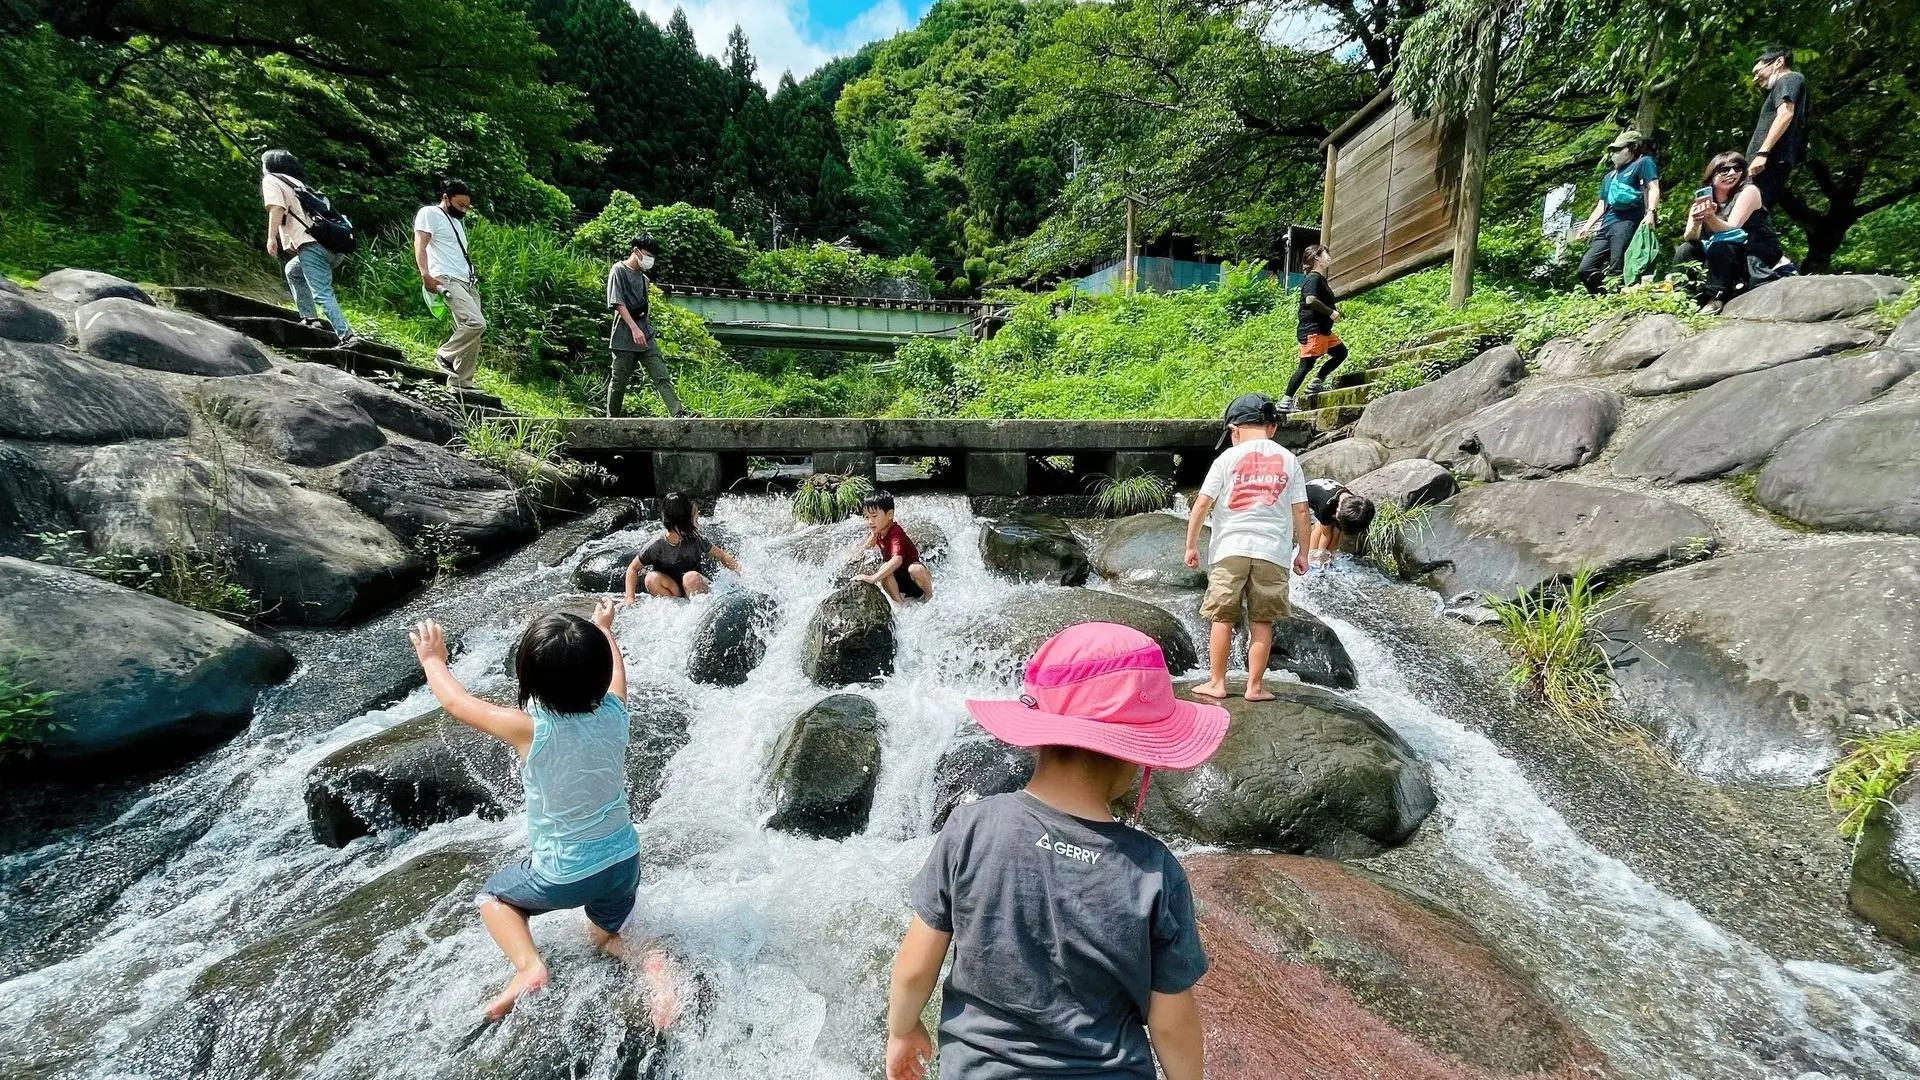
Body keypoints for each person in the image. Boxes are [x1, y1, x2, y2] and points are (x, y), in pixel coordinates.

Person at [884, 621, 1224, 1080]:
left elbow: (913, 968)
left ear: (1039, 734)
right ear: (1132, 753)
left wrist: (902, 1031)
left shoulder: (973, 827)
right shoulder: (1152, 870)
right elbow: (1170, 1021)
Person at [408, 600, 675, 1025]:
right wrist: (604, 628)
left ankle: (529, 967)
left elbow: (457, 703)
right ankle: (651, 965)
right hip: (624, 859)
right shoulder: (615, 711)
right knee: (604, 938)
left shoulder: (529, 728)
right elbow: (618, 672)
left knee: (493, 897)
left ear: (528, 678)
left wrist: (433, 660)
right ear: (599, 673)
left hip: (563, 873)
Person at [1182, 393, 1309, 703]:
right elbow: (1302, 511)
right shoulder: (1289, 460)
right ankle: (1254, 687)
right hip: (1273, 553)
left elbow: (1201, 505)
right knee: (1262, 622)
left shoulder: (1226, 458)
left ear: (1234, 430)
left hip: (1230, 550)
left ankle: (1217, 683)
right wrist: (1303, 552)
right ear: (1272, 428)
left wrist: (1191, 545)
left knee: (1222, 618)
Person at [259, 149, 359, 348]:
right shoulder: (300, 185)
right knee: (293, 270)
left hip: (313, 246)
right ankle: (310, 318)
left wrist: (271, 237)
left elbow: (277, 208)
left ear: (269, 166)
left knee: (321, 293)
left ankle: (347, 336)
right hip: (332, 248)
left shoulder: (272, 180)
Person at [1674, 151, 1784, 313]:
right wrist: (1697, 223)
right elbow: (1690, 236)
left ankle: (1716, 298)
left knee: (1721, 245)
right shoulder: (1703, 200)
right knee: (1686, 249)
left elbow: (1732, 228)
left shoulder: (1749, 191)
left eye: (1737, 168)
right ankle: (1681, 294)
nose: (1732, 173)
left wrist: (1710, 218)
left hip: (1754, 248)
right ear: (1712, 176)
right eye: (1724, 170)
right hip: (1722, 252)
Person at [605, 235, 694, 418]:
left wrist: (644, 330)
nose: (650, 260)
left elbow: (644, 309)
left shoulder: (644, 279)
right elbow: (617, 302)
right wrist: (633, 328)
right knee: (618, 382)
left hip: (645, 337)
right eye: (647, 254)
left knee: (661, 374)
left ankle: (678, 413)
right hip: (624, 337)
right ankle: (611, 419)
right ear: (636, 250)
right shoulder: (618, 270)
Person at [414, 179, 485, 388]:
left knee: (474, 332)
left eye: (466, 206)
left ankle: (462, 381)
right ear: (446, 197)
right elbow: (420, 245)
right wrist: (425, 275)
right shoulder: (429, 213)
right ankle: (444, 355)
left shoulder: (456, 222)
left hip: (467, 282)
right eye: (460, 205)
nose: (463, 210)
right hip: (446, 278)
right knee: (476, 323)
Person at [1573, 129, 1661, 295]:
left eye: (1618, 150)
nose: (1614, 154)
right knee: (1585, 269)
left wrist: (1651, 211)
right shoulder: (1610, 176)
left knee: (1617, 267)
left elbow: (1653, 188)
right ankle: (1602, 298)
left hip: (1628, 221)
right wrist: (1586, 227)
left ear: (1631, 148)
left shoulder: (1643, 163)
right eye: (1613, 150)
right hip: (1606, 225)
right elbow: (1601, 205)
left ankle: (1618, 300)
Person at [622, 492, 741, 601]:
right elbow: (632, 568)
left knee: (690, 577)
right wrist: (629, 598)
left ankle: (697, 608)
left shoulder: (696, 539)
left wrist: (741, 573)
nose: (697, 522)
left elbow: (722, 555)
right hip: (672, 589)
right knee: (651, 578)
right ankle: (675, 606)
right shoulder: (657, 545)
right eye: (694, 519)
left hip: (694, 586)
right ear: (683, 522)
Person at [1281, 245, 1346, 413]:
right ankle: (1285, 402)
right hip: (1313, 329)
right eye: (1326, 254)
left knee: (1340, 353)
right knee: (1305, 365)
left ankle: (1316, 383)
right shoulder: (1313, 278)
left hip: (1323, 329)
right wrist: (1331, 312)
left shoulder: (1318, 278)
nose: (1329, 257)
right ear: (1317, 258)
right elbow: (1310, 300)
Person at [1746, 47, 1808, 216]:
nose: (1755, 78)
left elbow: (1785, 114)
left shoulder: (1789, 79)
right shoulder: (1781, 86)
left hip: (1769, 161)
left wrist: (1762, 153)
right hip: (1765, 162)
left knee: (1752, 212)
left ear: (1779, 62)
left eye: (1758, 71)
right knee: (1751, 212)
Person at [854, 490, 933, 604]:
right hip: (898, 582)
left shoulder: (896, 533)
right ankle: (900, 604)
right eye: (867, 517)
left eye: (874, 516)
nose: (870, 521)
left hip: (914, 582)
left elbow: (897, 560)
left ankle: (929, 597)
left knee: (915, 569)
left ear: (890, 514)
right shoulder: (878, 531)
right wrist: (855, 556)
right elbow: (867, 546)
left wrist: (872, 578)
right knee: (884, 568)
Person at [1304, 478, 1375, 568]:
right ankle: (1309, 557)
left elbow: (1337, 532)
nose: (1336, 517)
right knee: (1321, 527)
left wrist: (1330, 555)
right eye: (1337, 516)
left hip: (1332, 498)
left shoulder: (1353, 504)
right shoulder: (1326, 506)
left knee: (1336, 531)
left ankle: (1329, 559)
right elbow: (1325, 534)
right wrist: (1320, 554)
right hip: (1311, 495)